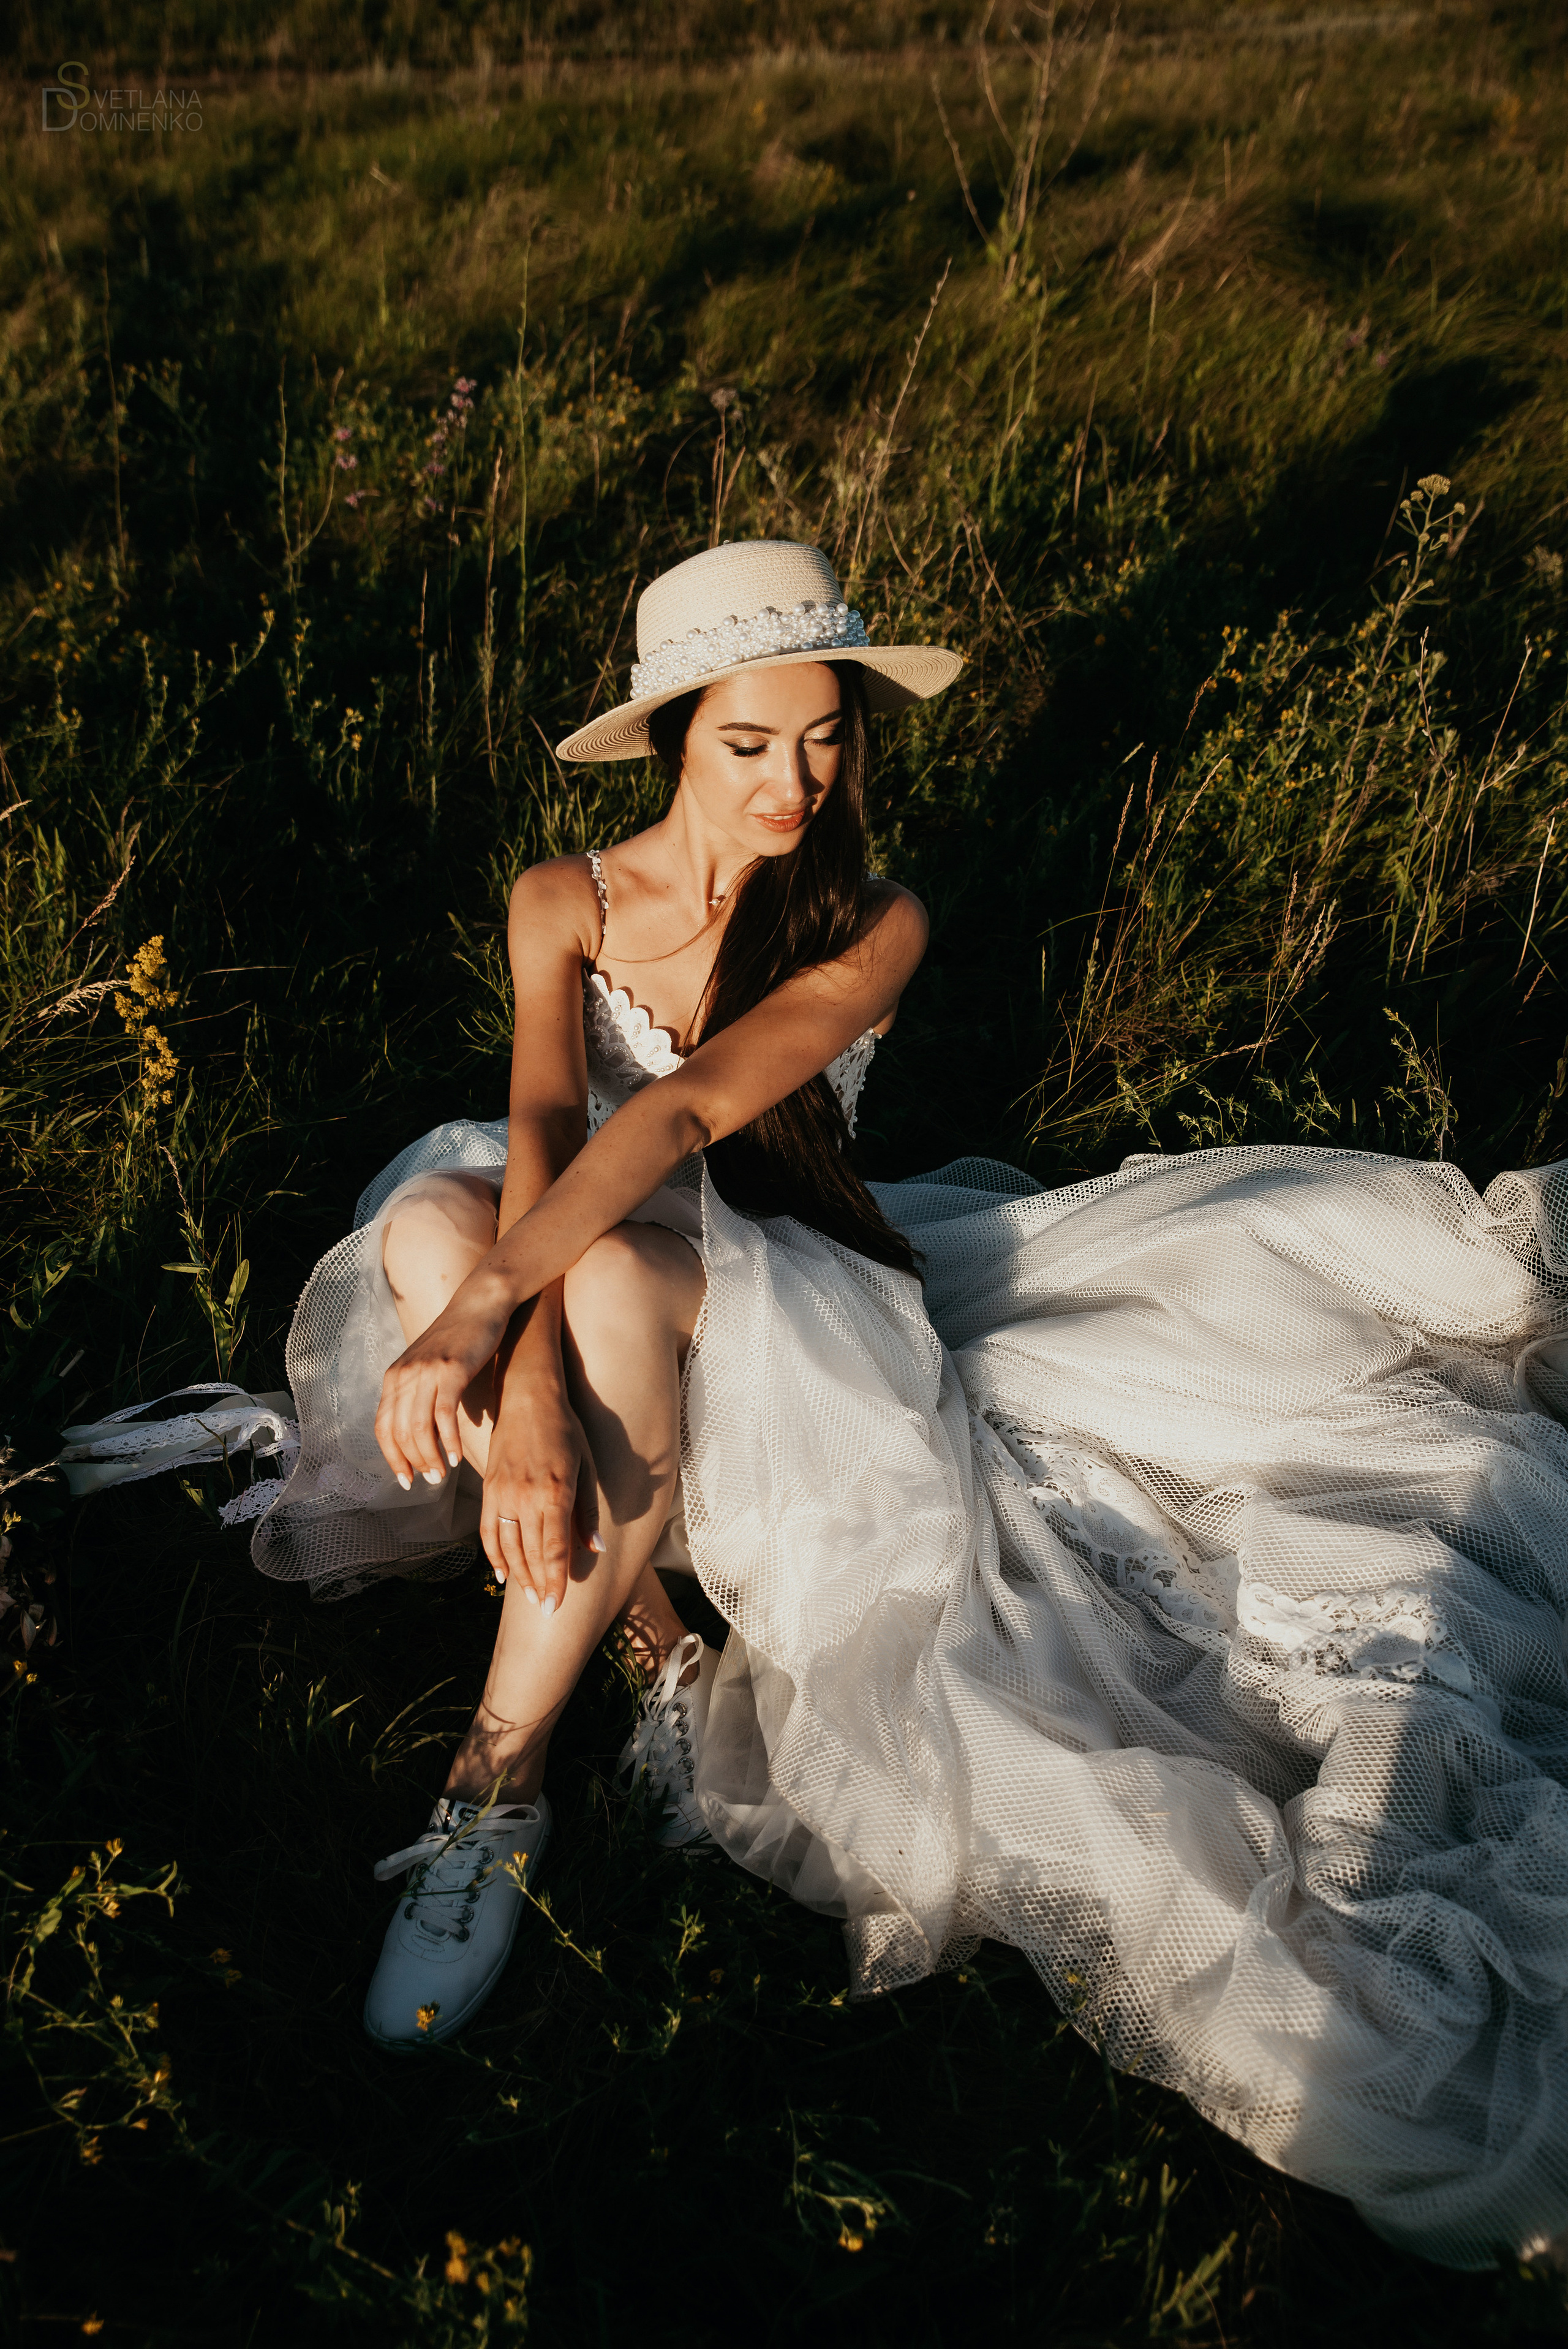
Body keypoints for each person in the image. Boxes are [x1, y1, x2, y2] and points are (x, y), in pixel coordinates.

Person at [258, 538, 1568, 2271]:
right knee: (438, 1215)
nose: (799, 780)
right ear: (676, 739)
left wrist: (506, 1342)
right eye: (751, 744)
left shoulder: (872, 920)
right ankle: (643, 1630)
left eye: (827, 739)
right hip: (578, 1242)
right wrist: (506, 1384)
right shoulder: (558, 898)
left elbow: (678, 1126)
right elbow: (555, 1128)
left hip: (797, 1286)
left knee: (614, 1274)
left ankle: (492, 1779)